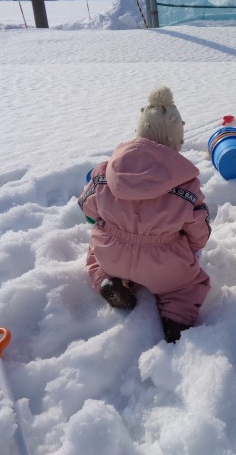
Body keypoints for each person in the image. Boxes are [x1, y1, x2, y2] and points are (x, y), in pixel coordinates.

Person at [77, 86, 211, 343]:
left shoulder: (104, 173)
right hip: (164, 264)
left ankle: (107, 281)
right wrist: (191, 249)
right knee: (187, 286)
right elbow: (200, 232)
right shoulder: (186, 187)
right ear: (176, 143)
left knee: (94, 253)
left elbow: (87, 207)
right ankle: (176, 319)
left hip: (113, 255)